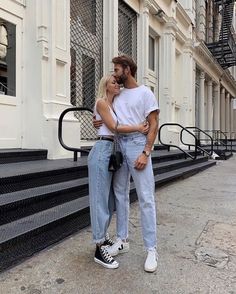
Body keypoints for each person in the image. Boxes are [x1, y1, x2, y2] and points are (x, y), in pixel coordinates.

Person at [95, 55, 160, 272]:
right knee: (120, 194)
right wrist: (99, 119)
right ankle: (122, 239)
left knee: (146, 197)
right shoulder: (118, 94)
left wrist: (146, 152)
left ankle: (151, 249)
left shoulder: (145, 93)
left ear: (127, 70)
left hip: (137, 145)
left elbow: (153, 125)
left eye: (116, 70)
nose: (114, 74)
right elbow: (107, 116)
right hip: (118, 146)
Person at [88, 74, 149, 270]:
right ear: (105, 85)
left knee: (109, 200)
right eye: (113, 82)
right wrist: (139, 127)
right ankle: (99, 247)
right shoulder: (101, 102)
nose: (118, 84)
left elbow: (111, 123)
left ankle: (104, 238)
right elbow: (115, 127)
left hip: (112, 152)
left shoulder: (114, 105)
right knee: (99, 200)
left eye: (117, 81)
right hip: (102, 151)